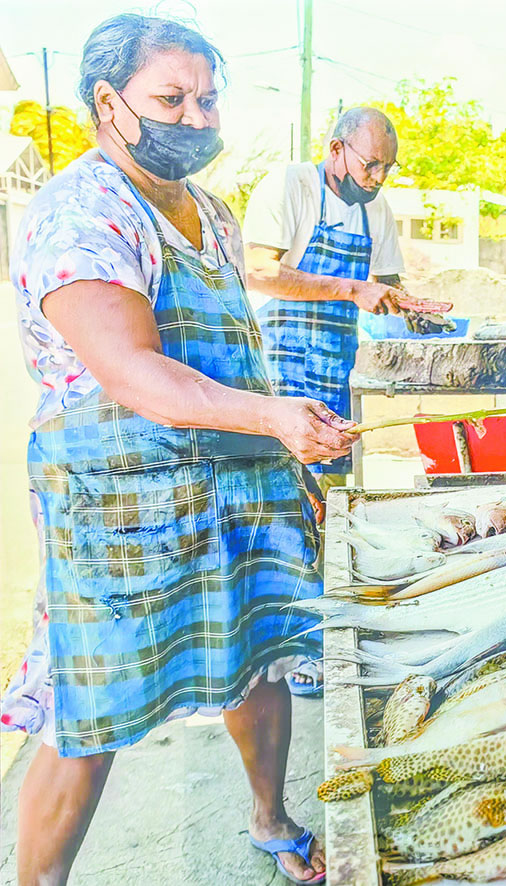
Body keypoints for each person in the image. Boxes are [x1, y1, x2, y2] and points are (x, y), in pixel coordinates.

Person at [2, 15, 346, 884]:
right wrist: (273, 419)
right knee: (91, 709)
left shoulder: (210, 210)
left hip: (236, 481)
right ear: (108, 104)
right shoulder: (80, 211)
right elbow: (132, 373)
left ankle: (269, 818)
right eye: (171, 98)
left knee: (258, 657)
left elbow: (237, 344)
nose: (197, 117)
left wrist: (281, 450)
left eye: (208, 98)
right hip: (123, 502)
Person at [244, 107, 449, 696]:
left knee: (333, 500)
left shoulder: (375, 210)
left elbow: (385, 287)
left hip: (337, 368)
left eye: (388, 167)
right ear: (337, 150)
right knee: (287, 503)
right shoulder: (292, 185)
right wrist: (353, 288)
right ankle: (286, 648)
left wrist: (409, 307)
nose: (379, 177)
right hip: (280, 363)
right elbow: (259, 273)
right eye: (371, 163)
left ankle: (326, 634)